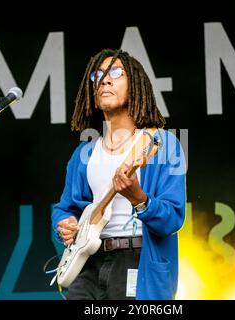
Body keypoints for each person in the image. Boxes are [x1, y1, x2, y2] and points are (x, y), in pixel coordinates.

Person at [52, 48, 186, 300]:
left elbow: (173, 219)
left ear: (135, 85)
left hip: (136, 261)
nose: (105, 79)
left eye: (116, 72)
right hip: (88, 265)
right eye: (98, 75)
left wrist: (139, 199)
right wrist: (65, 225)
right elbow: (64, 208)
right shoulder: (85, 153)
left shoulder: (161, 145)